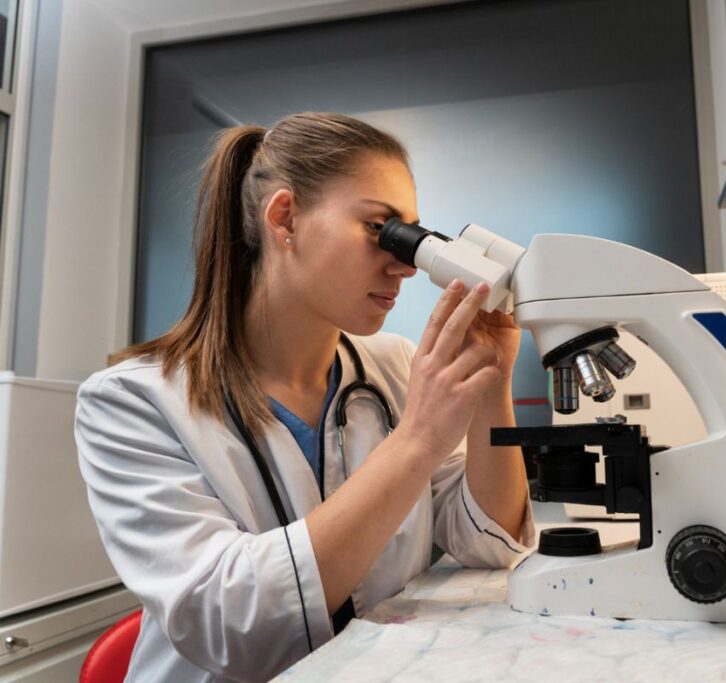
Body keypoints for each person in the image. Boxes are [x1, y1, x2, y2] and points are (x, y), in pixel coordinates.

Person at [75, 112, 534, 682]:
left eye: (412, 237)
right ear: (285, 218)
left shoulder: (391, 366)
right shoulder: (132, 401)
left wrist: (492, 383)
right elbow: (233, 623)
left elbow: (487, 544)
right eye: (381, 229)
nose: (405, 265)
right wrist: (417, 439)